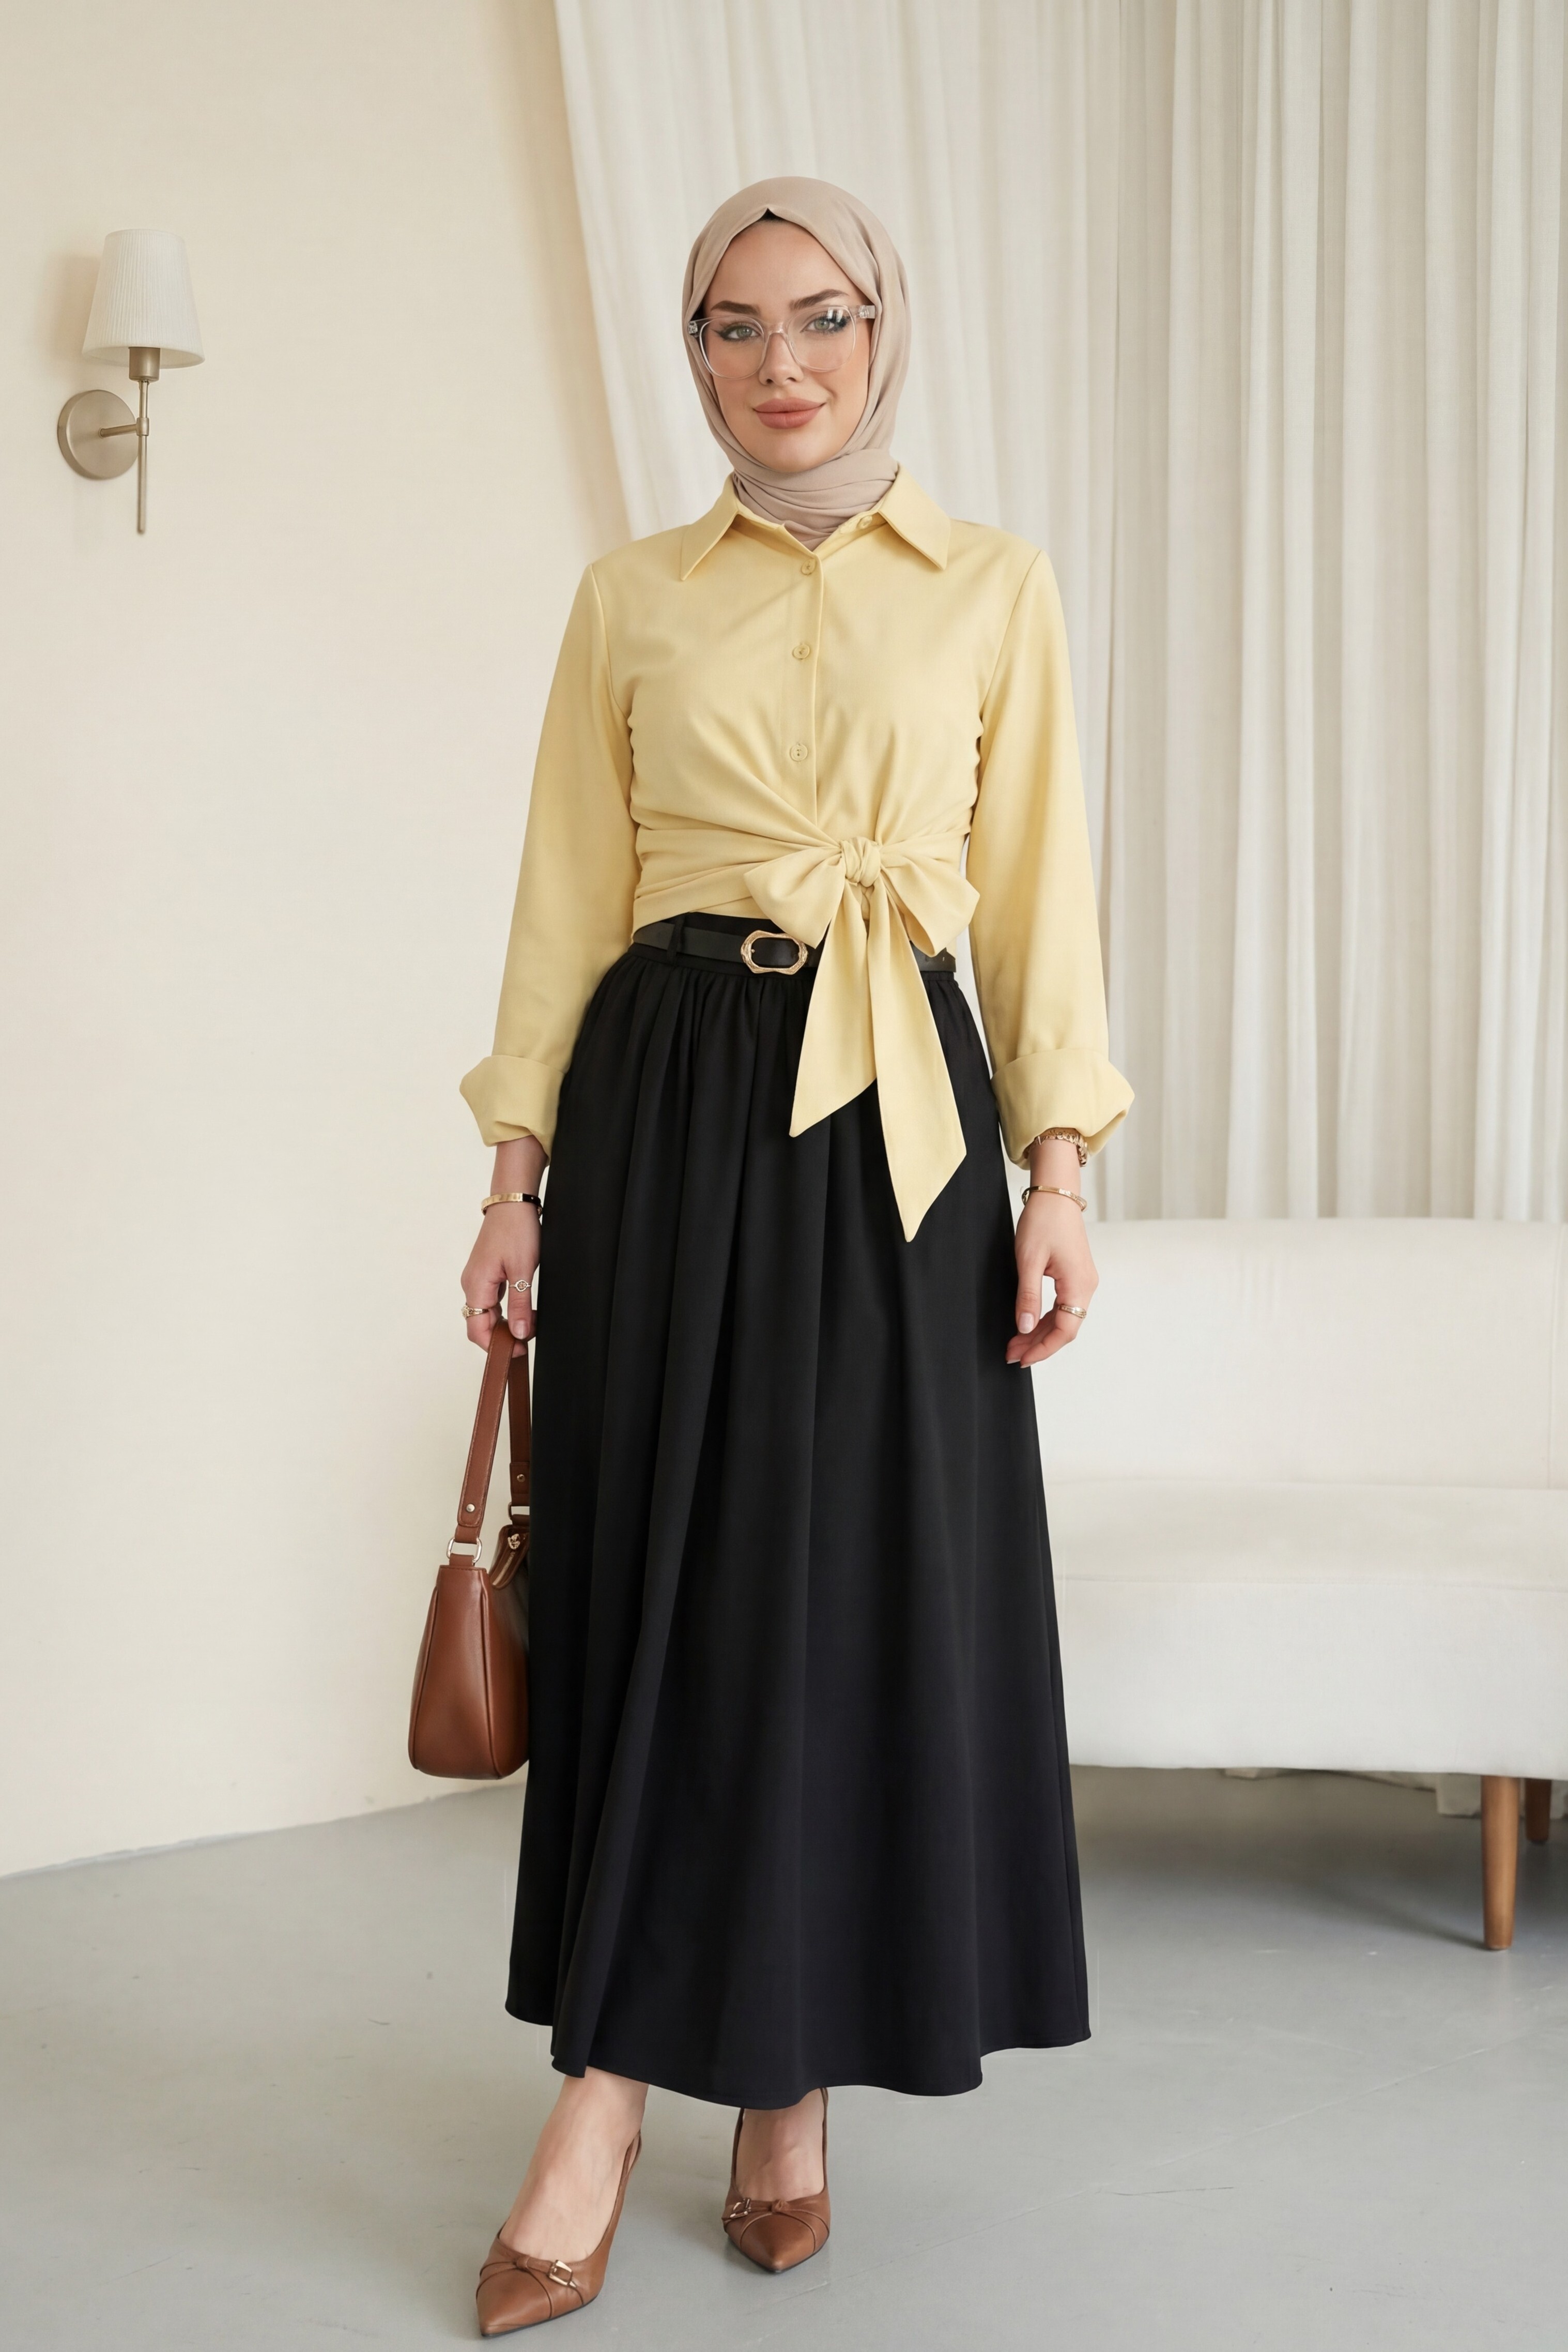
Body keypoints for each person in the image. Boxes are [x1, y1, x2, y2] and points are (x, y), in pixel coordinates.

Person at [457, 175, 1133, 2336]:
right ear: (693, 353)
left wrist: (1059, 1171)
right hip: (667, 1099)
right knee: (664, 1586)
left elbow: (1036, 894)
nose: (781, 364)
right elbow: (565, 891)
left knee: (844, 1596)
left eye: (822, 317)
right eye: (733, 326)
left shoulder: (994, 585)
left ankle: (788, 2083)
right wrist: (512, 1173)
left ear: (882, 331)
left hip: (902, 1122)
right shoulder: (630, 597)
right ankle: (605, 2095)